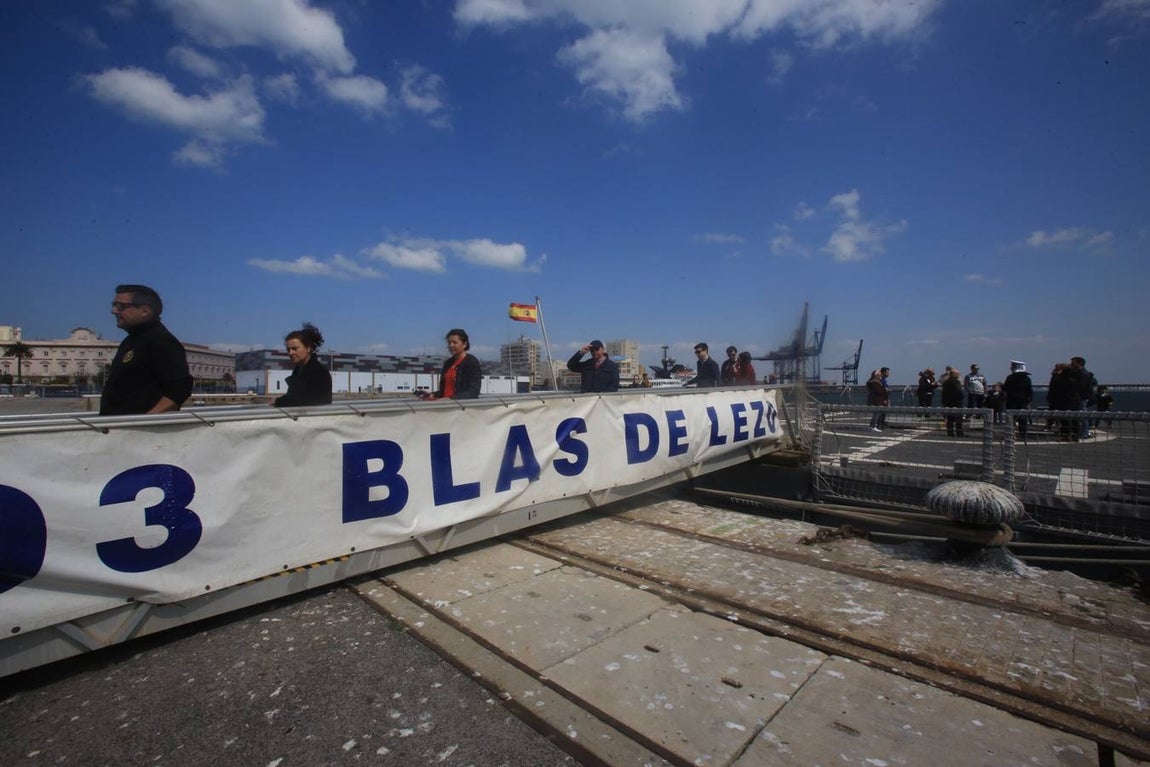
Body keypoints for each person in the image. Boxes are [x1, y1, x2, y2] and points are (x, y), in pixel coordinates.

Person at [100, 284, 193, 415]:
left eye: (120, 306)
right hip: (118, 430)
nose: (114, 311)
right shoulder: (131, 341)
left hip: (137, 432)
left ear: (145, 311)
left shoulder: (161, 341)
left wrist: (144, 421)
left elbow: (180, 388)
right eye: (114, 305)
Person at [272, 323, 332, 407]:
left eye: (295, 348)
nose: (291, 353)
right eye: (288, 349)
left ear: (308, 348)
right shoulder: (298, 370)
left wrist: (279, 401)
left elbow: (302, 400)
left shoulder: (318, 372)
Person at [423, 328, 482, 400]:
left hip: (460, 408)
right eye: (449, 342)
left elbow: (473, 392)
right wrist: (433, 395)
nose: (451, 345)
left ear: (464, 344)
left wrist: (451, 399)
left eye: (454, 342)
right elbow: (444, 391)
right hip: (446, 407)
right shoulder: (448, 363)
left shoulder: (472, 363)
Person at [1047, 362, 1081, 441]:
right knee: (1074, 418)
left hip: (1063, 401)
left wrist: (1055, 375)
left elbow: (1053, 388)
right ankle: (1075, 435)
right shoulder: (1075, 379)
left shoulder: (1059, 379)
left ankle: (1066, 435)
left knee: (1065, 419)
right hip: (1075, 400)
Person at [1002, 360, 1033, 440]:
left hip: (1012, 400)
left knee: (1011, 418)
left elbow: (1005, 388)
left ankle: (1011, 434)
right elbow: (1029, 390)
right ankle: (1023, 434)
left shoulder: (1010, 377)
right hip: (1023, 400)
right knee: (1022, 418)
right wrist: (1030, 400)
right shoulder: (1027, 378)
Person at [1071, 356, 1096, 439]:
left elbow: (1082, 388)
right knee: (1081, 416)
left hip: (1082, 398)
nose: (1071, 364)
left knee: (1083, 416)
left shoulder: (1083, 374)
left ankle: (1084, 433)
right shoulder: (1082, 373)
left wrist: (1080, 397)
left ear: (1078, 363)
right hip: (1081, 398)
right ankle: (1083, 432)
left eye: (1073, 363)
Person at [941, 368, 965, 437]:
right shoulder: (956, 382)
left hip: (948, 402)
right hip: (957, 403)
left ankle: (950, 433)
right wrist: (961, 397)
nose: (959, 375)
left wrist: (944, 402)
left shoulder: (945, 382)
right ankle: (959, 433)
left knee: (950, 419)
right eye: (958, 374)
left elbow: (943, 393)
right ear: (954, 374)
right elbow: (958, 392)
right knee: (959, 419)